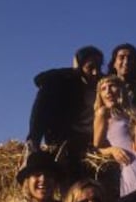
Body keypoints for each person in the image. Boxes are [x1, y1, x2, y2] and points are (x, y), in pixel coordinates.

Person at [27, 45, 104, 183]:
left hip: (95, 137)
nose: (95, 72)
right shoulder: (67, 81)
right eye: (90, 67)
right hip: (68, 138)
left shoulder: (104, 84)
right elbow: (41, 85)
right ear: (80, 67)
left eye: (98, 67)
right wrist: (34, 138)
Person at [93, 75, 136, 196]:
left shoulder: (132, 114)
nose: (108, 91)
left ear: (121, 89)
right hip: (129, 164)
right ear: (100, 95)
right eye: (103, 88)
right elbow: (96, 147)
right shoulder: (103, 113)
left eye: (112, 86)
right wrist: (113, 150)